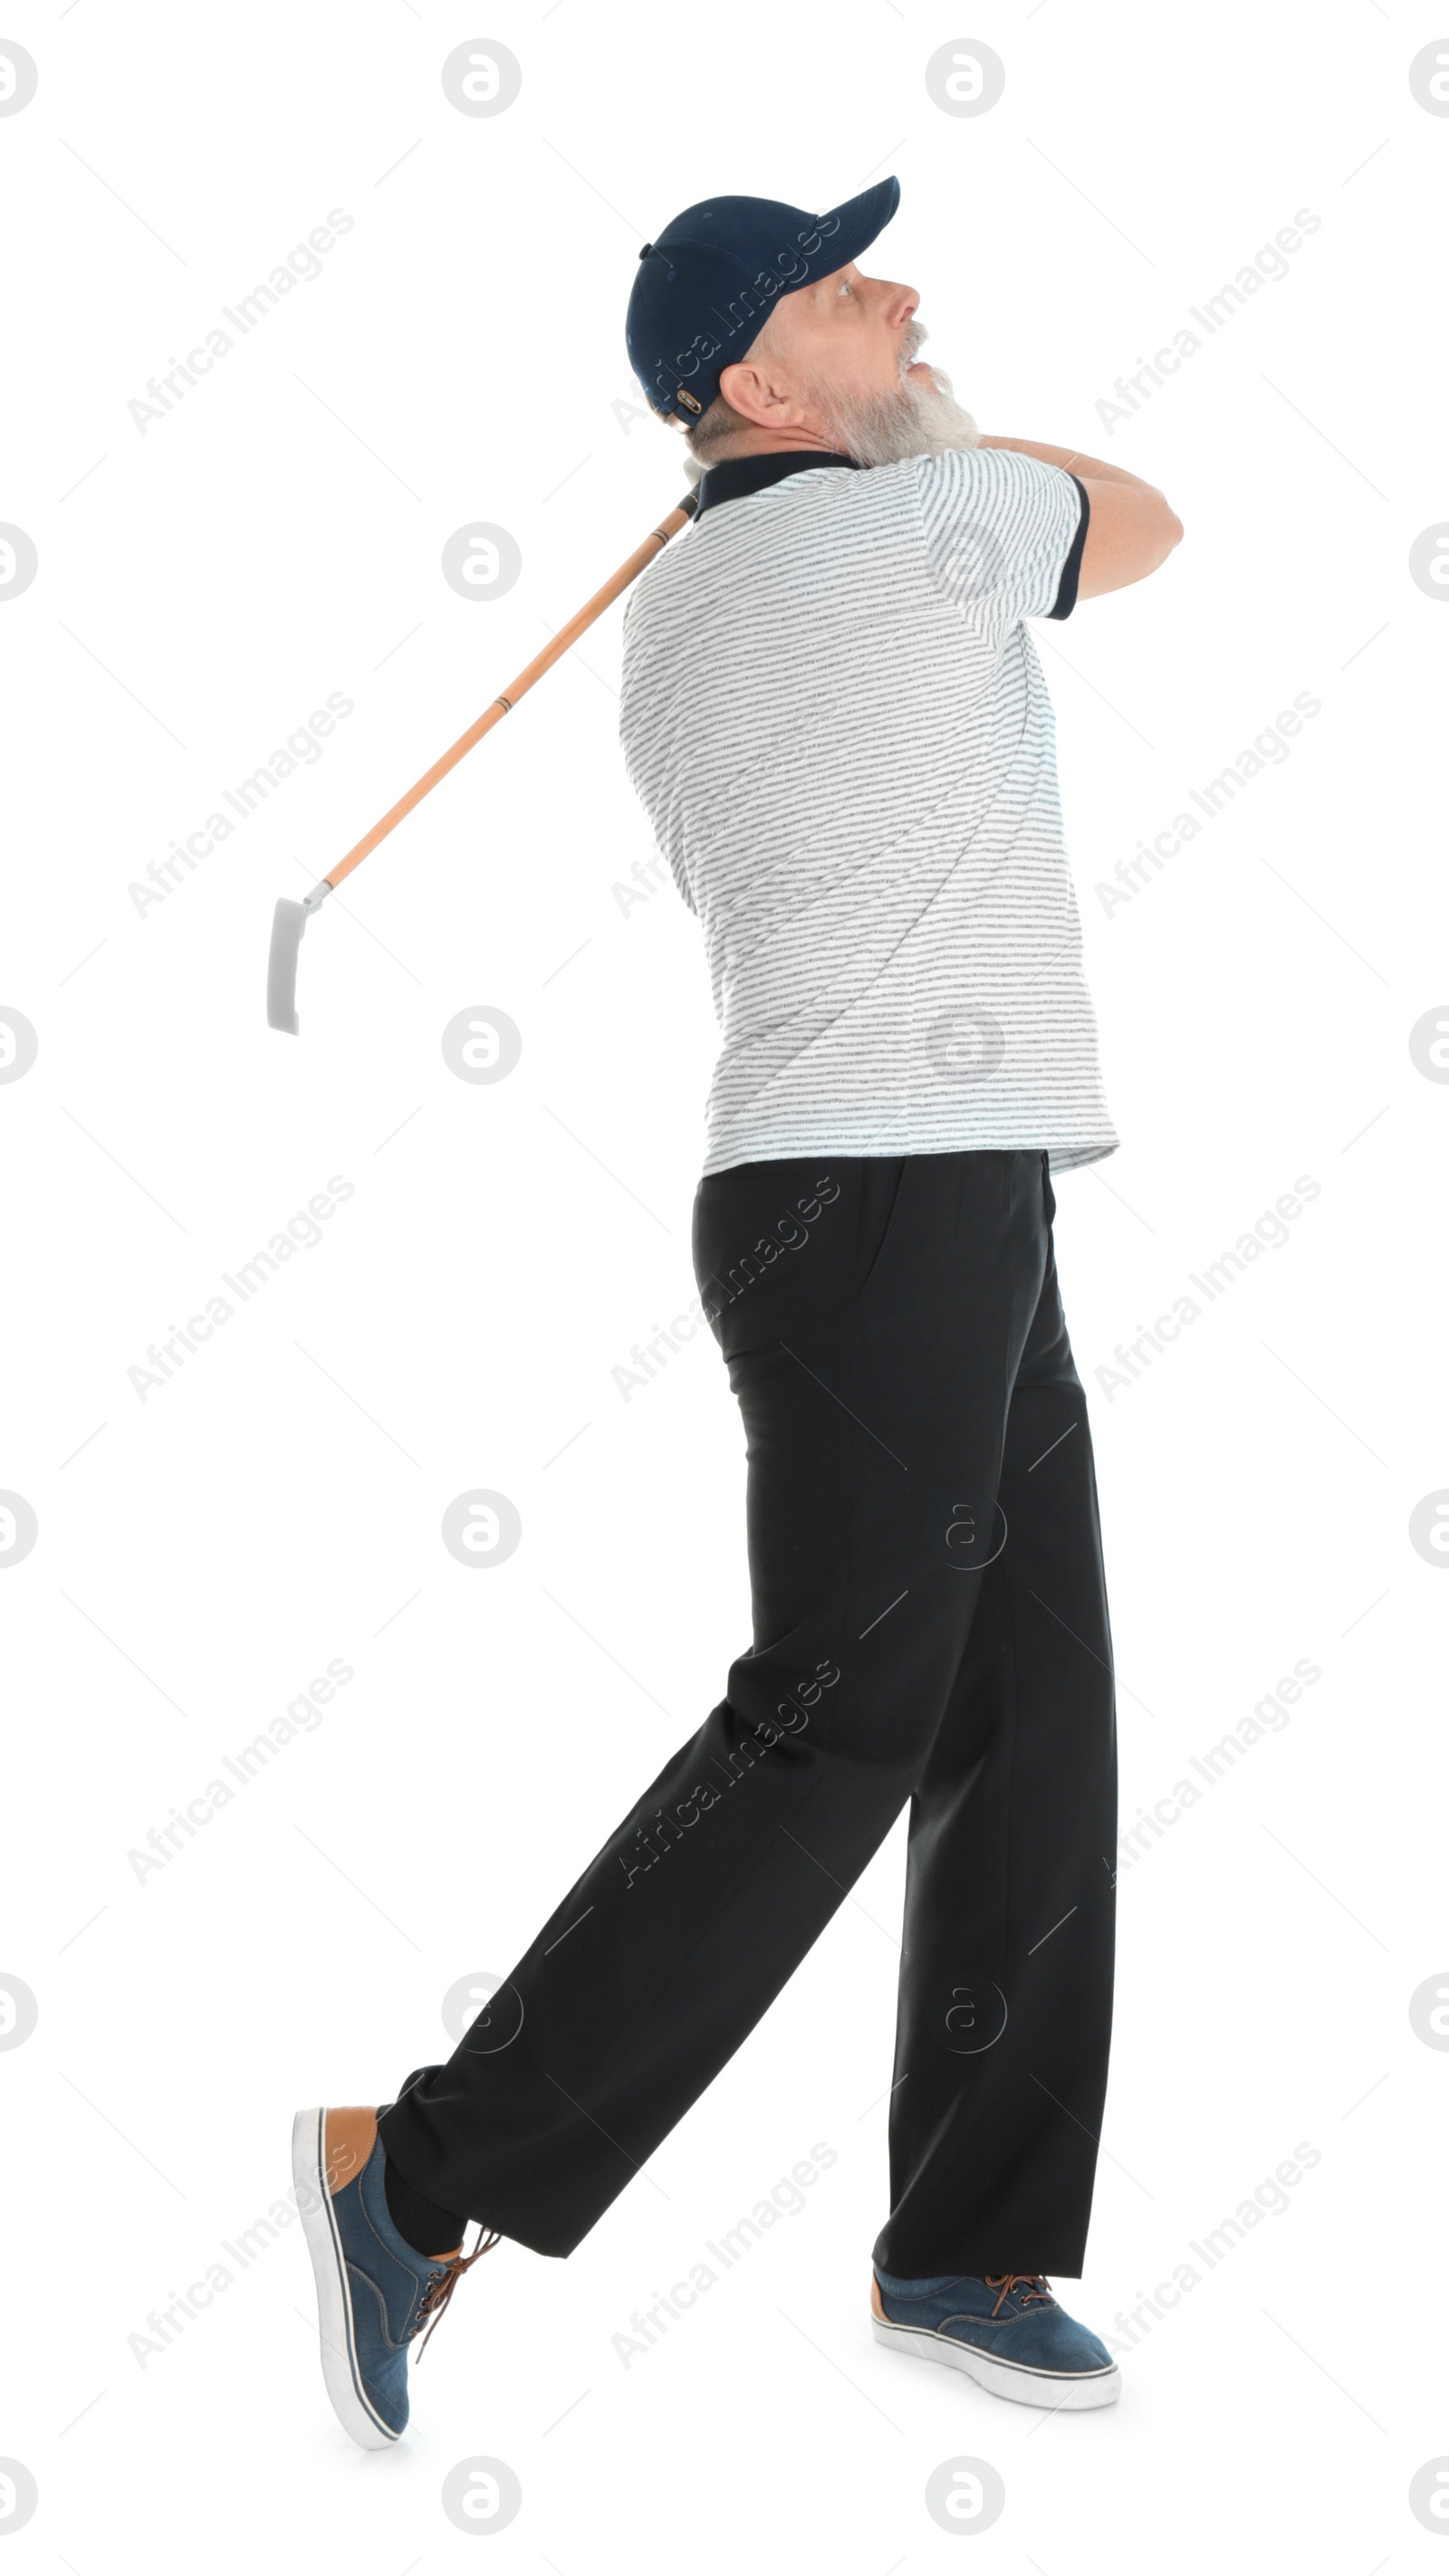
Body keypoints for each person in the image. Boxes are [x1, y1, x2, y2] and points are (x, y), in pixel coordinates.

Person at [294, 177, 1183, 2448]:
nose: (904, 290)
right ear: (757, 380)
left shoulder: (691, 601)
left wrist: (865, 430)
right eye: (844, 284)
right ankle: (426, 2166)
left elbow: (1043, 515)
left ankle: (965, 2238)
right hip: (888, 1195)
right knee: (833, 1724)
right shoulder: (934, 522)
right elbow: (1153, 518)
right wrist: (938, 439)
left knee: (1029, 1707)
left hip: (914, 1189)